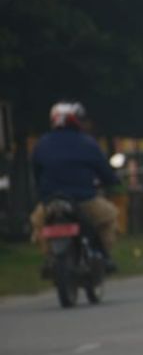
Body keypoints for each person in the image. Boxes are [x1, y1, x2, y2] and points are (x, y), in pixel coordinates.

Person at [29, 102, 121, 272]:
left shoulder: (41, 144)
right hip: (84, 200)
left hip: (51, 202)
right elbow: (105, 172)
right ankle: (105, 256)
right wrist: (113, 181)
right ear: (75, 120)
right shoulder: (88, 143)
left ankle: (50, 258)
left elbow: (36, 173)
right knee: (109, 217)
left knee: (38, 223)